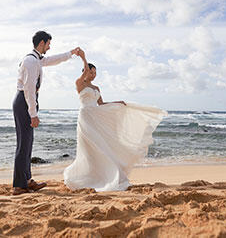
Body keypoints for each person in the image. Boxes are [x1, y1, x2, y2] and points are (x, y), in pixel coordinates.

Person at [63, 49, 167, 191]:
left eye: (95, 73)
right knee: (88, 148)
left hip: (96, 118)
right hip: (85, 117)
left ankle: (103, 174)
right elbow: (85, 71)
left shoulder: (96, 87)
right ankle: (87, 176)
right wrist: (83, 58)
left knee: (101, 146)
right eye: (90, 72)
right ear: (85, 71)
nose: (93, 75)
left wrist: (117, 103)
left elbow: (101, 104)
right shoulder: (80, 83)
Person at [12, 30, 80, 195]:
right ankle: (19, 186)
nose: (49, 47)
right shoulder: (30, 61)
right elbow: (28, 89)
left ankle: (27, 180)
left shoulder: (37, 60)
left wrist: (71, 53)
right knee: (23, 144)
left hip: (26, 101)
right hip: (24, 101)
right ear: (41, 43)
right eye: (48, 44)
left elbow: (52, 60)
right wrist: (33, 114)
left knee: (28, 143)